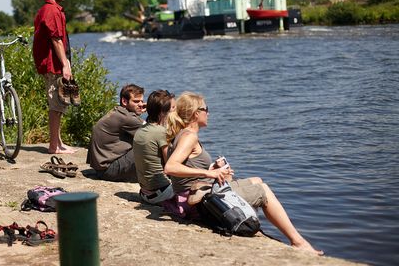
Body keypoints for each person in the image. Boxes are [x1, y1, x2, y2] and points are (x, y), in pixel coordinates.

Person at [164, 92, 323, 255]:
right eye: (206, 109)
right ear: (196, 113)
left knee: (257, 180)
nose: (209, 113)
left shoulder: (183, 133)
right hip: (200, 203)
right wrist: (209, 173)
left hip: (197, 194)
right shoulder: (189, 136)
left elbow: (185, 168)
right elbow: (170, 168)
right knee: (263, 191)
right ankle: (298, 242)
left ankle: (245, 217)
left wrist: (212, 170)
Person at [32, 0, 76, 154]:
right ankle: (53, 146)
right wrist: (65, 64)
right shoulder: (51, 11)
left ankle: (58, 142)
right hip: (53, 64)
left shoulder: (52, 9)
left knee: (60, 102)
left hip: (55, 63)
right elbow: (56, 40)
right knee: (56, 104)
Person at [87, 84, 145, 182]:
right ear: (124, 101)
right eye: (136, 101)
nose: (141, 104)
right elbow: (155, 133)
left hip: (101, 168)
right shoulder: (126, 118)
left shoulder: (119, 111)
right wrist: (154, 111)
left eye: (142, 101)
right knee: (149, 145)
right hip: (109, 170)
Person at [133, 90, 176, 204]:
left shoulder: (141, 130)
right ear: (162, 112)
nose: (176, 112)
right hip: (161, 193)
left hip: (145, 193)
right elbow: (172, 166)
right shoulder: (161, 132)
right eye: (173, 108)